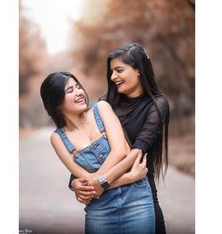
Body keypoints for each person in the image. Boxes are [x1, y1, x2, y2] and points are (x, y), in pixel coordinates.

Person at [71, 43, 170, 234]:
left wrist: (101, 183)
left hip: (142, 198)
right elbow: (88, 148)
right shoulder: (104, 104)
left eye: (119, 70)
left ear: (139, 70)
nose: (112, 77)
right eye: (111, 72)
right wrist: (75, 182)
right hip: (104, 204)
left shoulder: (157, 105)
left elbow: (137, 151)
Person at [40, 71, 156, 234]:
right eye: (70, 90)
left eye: (78, 87)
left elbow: (120, 152)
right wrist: (128, 177)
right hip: (100, 209)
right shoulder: (58, 138)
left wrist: (99, 183)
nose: (79, 92)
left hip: (136, 200)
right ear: (56, 102)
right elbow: (87, 183)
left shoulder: (102, 109)